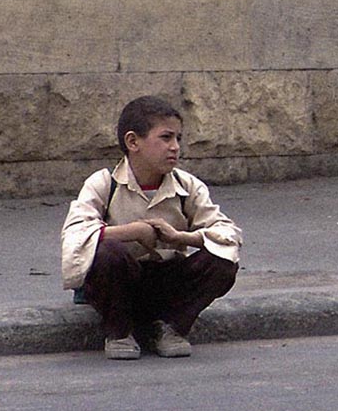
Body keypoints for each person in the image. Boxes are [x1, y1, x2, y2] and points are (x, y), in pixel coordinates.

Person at [61, 95, 242, 360]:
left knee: (222, 259)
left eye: (178, 138)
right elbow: (75, 236)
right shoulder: (103, 183)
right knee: (106, 253)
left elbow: (227, 232)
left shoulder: (187, 185)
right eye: (166, 138)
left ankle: (171, 328)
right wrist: (132, 232)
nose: (175, 147)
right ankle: (119, 332)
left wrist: (184, 237)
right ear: (133, 142)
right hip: (120, 283)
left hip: (166, 283)